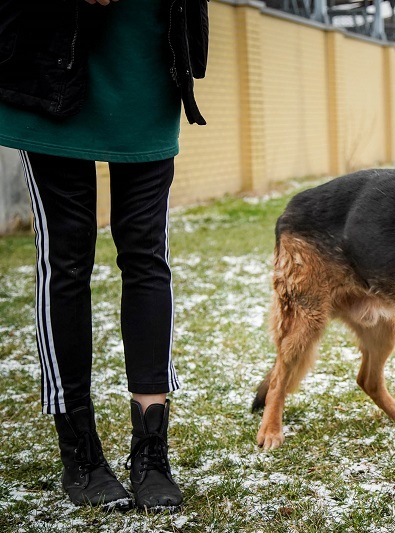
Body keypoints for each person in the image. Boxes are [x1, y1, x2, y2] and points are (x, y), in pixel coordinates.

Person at [0, 0, 208, 511]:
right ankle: (81, 453)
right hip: (50, 67)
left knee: (146, 256)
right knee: (66, 261)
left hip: (149, 60)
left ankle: (151, 452)